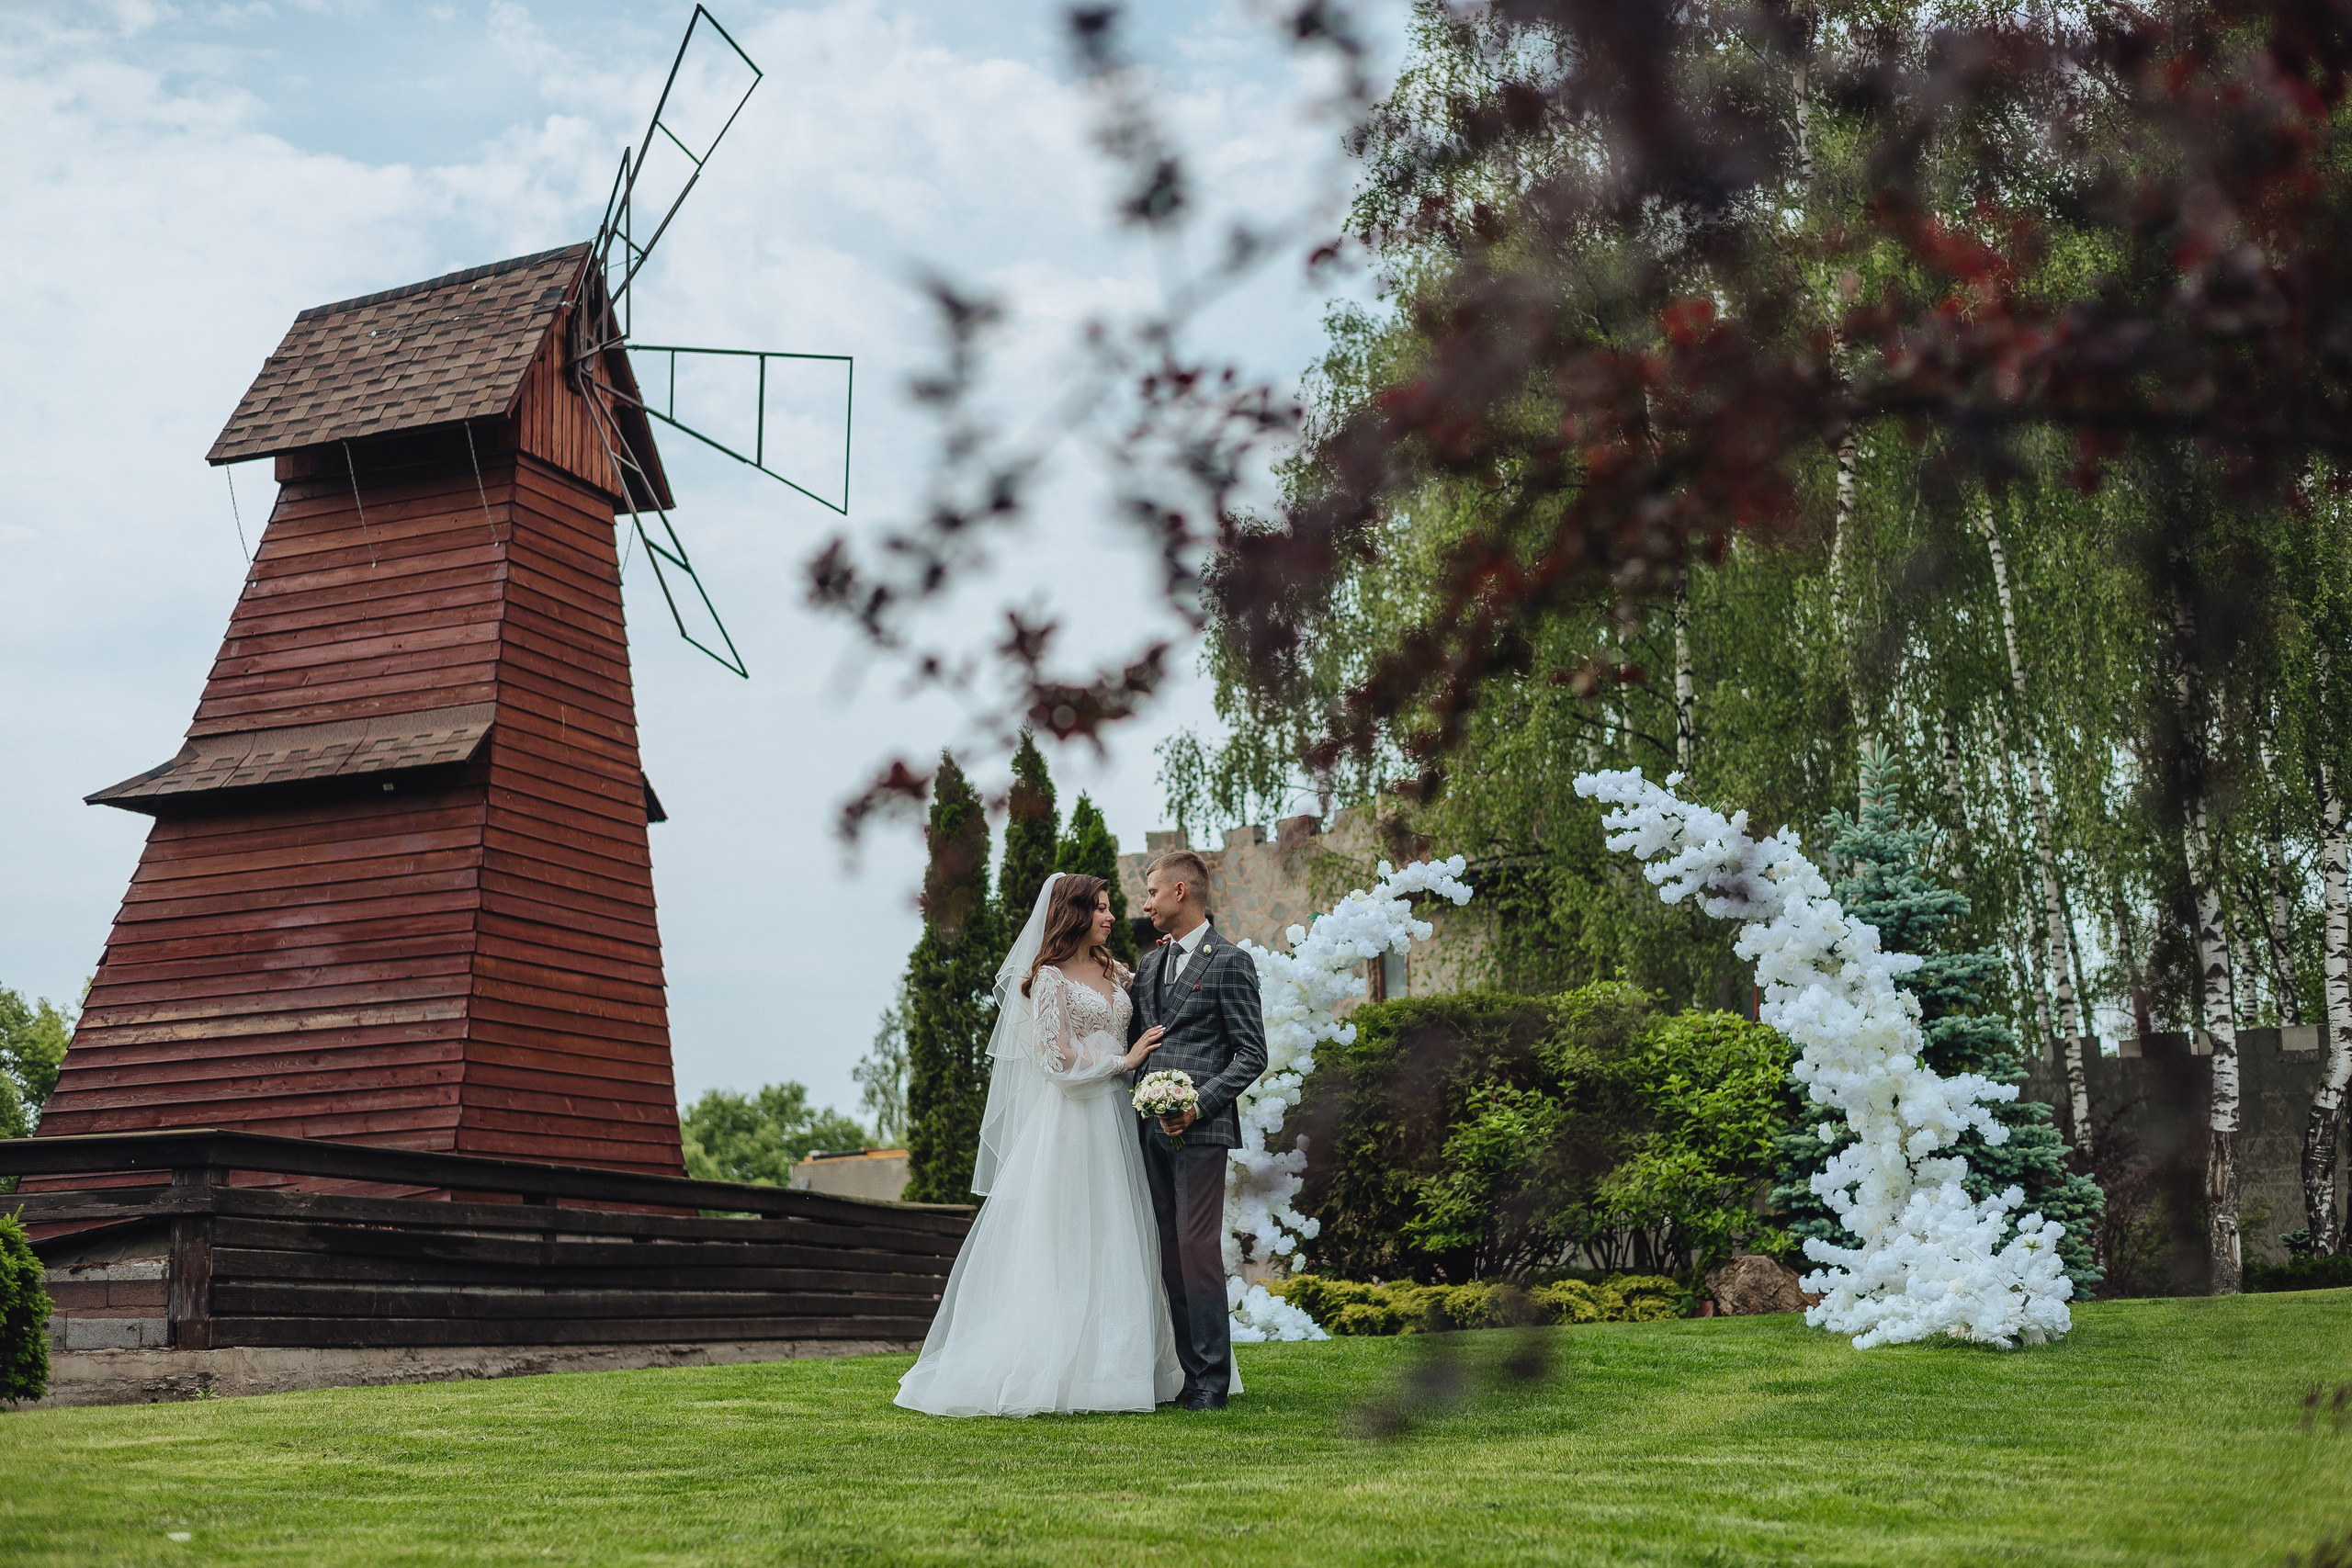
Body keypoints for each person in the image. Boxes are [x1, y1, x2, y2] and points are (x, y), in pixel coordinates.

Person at [894, 873, 1182, 1416]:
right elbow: (1057, 1061)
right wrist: (1125, 1061)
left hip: (1120, 1118)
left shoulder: (1111, 969)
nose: (1111, 916)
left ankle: (1121, 1365)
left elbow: (1143, 992)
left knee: (1122, 1231)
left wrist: (1166, 956)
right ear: (1073, 913)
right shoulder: (1048, 980)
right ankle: (1067, 1368)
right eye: (1099, 908)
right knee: (1076, 1235)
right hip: (1075, 1120)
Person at [1126, 849, 1268, 1410]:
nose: (1147, 903)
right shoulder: (1149, 964)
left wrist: (1199, 1104)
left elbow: (1251, 1053)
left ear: (1180, 893)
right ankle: (1190, 1376)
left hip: (1202, 1132)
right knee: (1168, 1251)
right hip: (1149, 1132)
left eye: (1153, 892)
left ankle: (1212, 1379)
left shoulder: (1231, 961)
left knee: (1195, 1248)